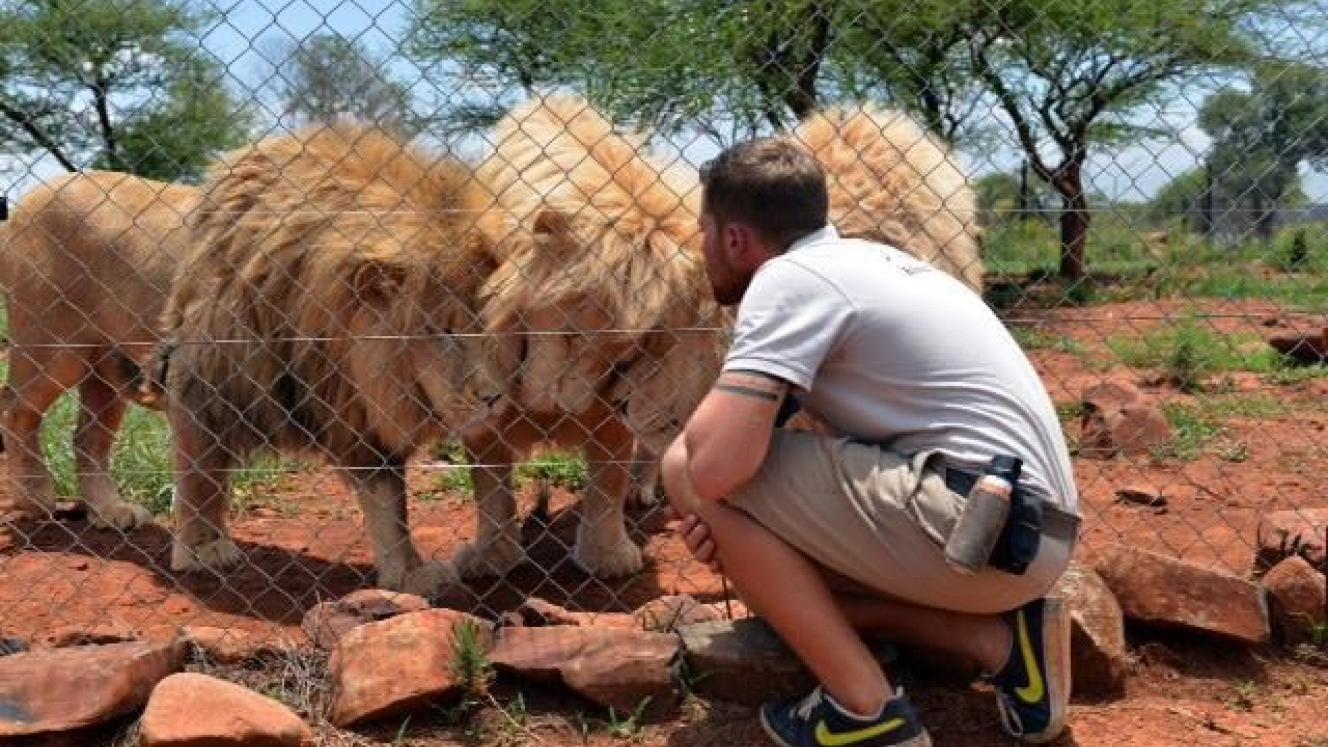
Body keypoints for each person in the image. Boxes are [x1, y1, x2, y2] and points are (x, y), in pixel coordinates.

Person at [661, 136, 1081, 747]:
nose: (700, 250)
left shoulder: (788, 280)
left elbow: (715, 469)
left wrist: (710, 502)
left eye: (704, 231)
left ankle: (866, 710)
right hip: (1024, 537)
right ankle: (999, 643)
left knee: (685, 468)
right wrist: (733, 530)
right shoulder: (874, 264)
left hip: (975, 527)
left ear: (733, 238)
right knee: (783, 575)